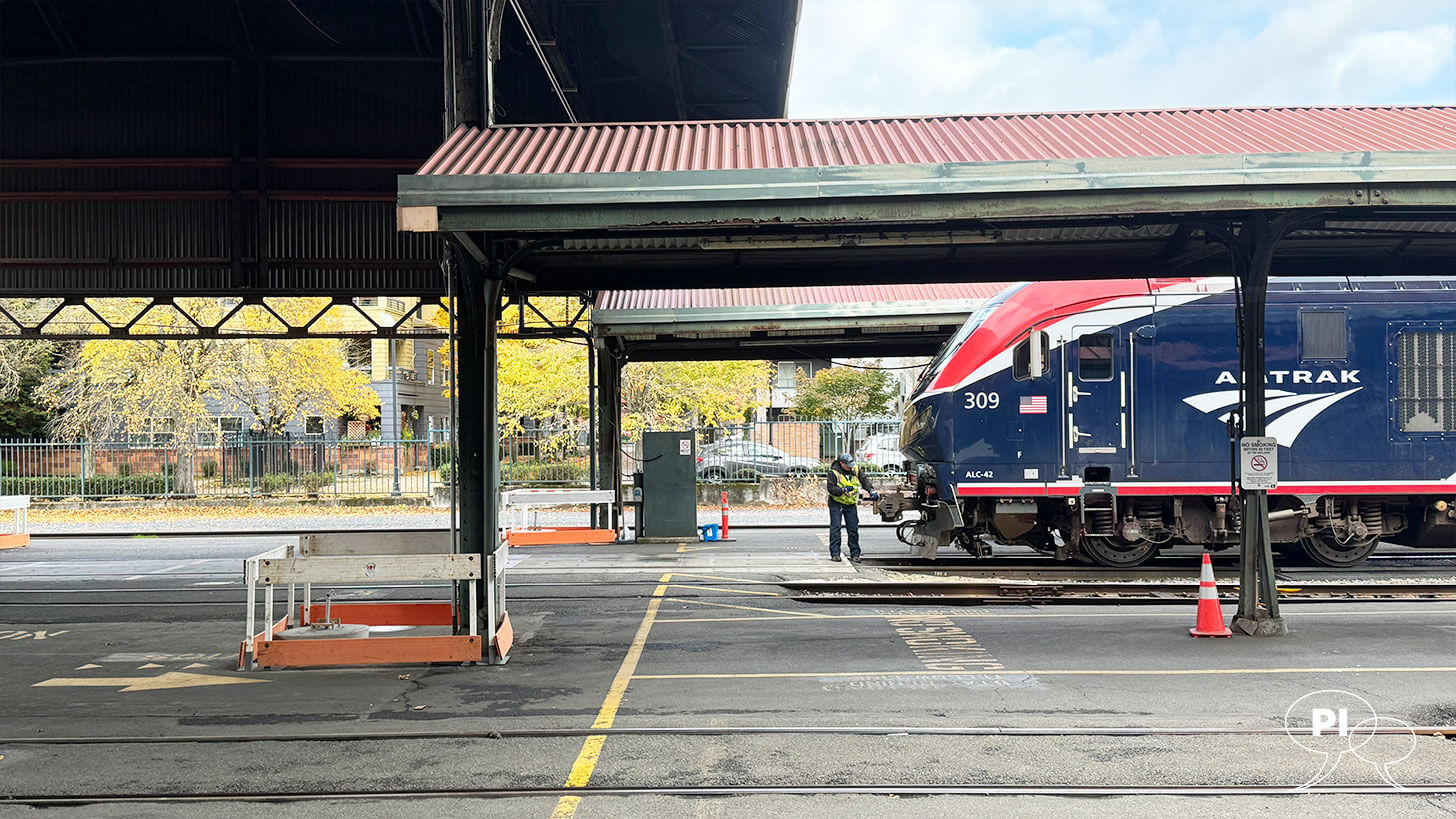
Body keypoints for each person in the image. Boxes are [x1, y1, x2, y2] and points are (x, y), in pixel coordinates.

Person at [827, 453, 876, 562]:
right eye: (848, 465)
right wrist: (843, 490)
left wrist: (871, 490)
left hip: (850, 504)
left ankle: (855, 554)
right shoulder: (833, 473)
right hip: (836, 503)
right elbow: (831, 489)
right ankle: (835, 554)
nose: (850, 467)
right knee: (836, 528)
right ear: (841, 463)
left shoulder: (855, 469)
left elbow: (864, 480)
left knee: (853, 529)